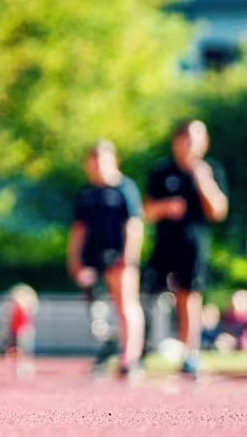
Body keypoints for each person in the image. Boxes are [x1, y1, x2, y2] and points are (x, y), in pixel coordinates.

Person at [145, 119, 229, 377]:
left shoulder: (210, 170)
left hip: (193, 246)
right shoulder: (161, 171)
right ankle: (140, 349)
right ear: (177, 141)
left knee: (189, 296)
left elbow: (219, 211)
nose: (191, 145)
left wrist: (203, 180)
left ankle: (190, 354)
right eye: (187, 139)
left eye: (197, 140)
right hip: (163, 244)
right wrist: (166, 207)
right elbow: (146, 211)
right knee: (148, 295)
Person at [67, 140, 145, 378]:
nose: (97, 168)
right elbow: (78, 229)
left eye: (101, 162)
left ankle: (130, 358)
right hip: (93, 259)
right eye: (93, 163)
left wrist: (128, 258)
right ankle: (107, 350)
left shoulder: (125, 189)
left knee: (126, 304)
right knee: (97, 310)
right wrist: (74, 259)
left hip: (119, 258)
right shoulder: (87, 193)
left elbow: (134, 224)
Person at [3, 283, 39, 380]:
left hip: (23, 332)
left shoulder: (25, 308)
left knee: (24, 350)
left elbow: (25, 323)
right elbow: (10, 321)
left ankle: (24, 366)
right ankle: (18, 366)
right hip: (15, 332)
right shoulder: (14, 308)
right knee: (15, 350)